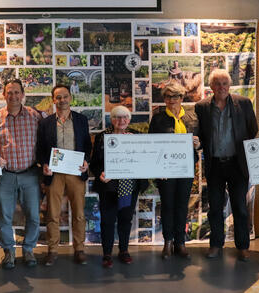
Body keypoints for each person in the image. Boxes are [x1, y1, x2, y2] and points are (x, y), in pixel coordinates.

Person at [194, 69, 258, 262]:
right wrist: (197, 143)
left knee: (239, 206)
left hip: (237, 165)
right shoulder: (202, 107)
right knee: (214, 207)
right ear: (211, 87)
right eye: (217, 84)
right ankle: (215, 244)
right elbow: (201, 135)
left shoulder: (244, 103)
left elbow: (253, 132)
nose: (221, 87)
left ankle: (243, 246)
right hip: (215, 166)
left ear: (229, 86)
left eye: (224, 83)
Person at [0, 79, 42, 270]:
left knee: (34, 216)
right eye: (9, 92)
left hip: (30, 174)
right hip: (5, 176)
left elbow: (44, 143)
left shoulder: (35, 117)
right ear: (4, 95)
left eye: (17, 92)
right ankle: (9, 252)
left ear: (23, 94)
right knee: (4, 217)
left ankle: (28, 249)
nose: (13, 96)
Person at [37, 85, 92, 266]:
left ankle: (79, 249)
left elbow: (87, 145)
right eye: (58, 97)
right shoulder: (45, 123)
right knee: (52, 214)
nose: (62, 100)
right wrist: (44, 164)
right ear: (54, 100)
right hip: (55, 173)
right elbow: (40, 149)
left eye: (65, 96)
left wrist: (87, 162)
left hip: (76, 172)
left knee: (78, 213)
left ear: (70, 98)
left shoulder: (81, 120)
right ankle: (52, 250)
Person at [90, 106, 148, 268]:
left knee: (125, 218)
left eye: (124, 118)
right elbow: (94, 163)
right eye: (117, 117)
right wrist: (100, 173)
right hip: (108, 186)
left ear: (129, 120)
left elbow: (145, 159)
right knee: (107, 220)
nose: (121, 121)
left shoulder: (136, 136)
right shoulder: (103, 136)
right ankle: (107, 254)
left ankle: (124, 251)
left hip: (129, 184)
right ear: (112, 119)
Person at [149, 83, 200, 260]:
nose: (172, 100)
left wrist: (197, 144)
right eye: (168, 97)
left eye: (176, 96)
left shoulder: (192, 118)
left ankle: (180, 242)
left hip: (186, 169)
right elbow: (152, 145)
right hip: (166, 170)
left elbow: (201, 142)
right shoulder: (158, 119)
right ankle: (168, 242)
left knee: (181, 205)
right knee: (168, 205)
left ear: (182, 98)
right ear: (164, 99)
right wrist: (157, 168)